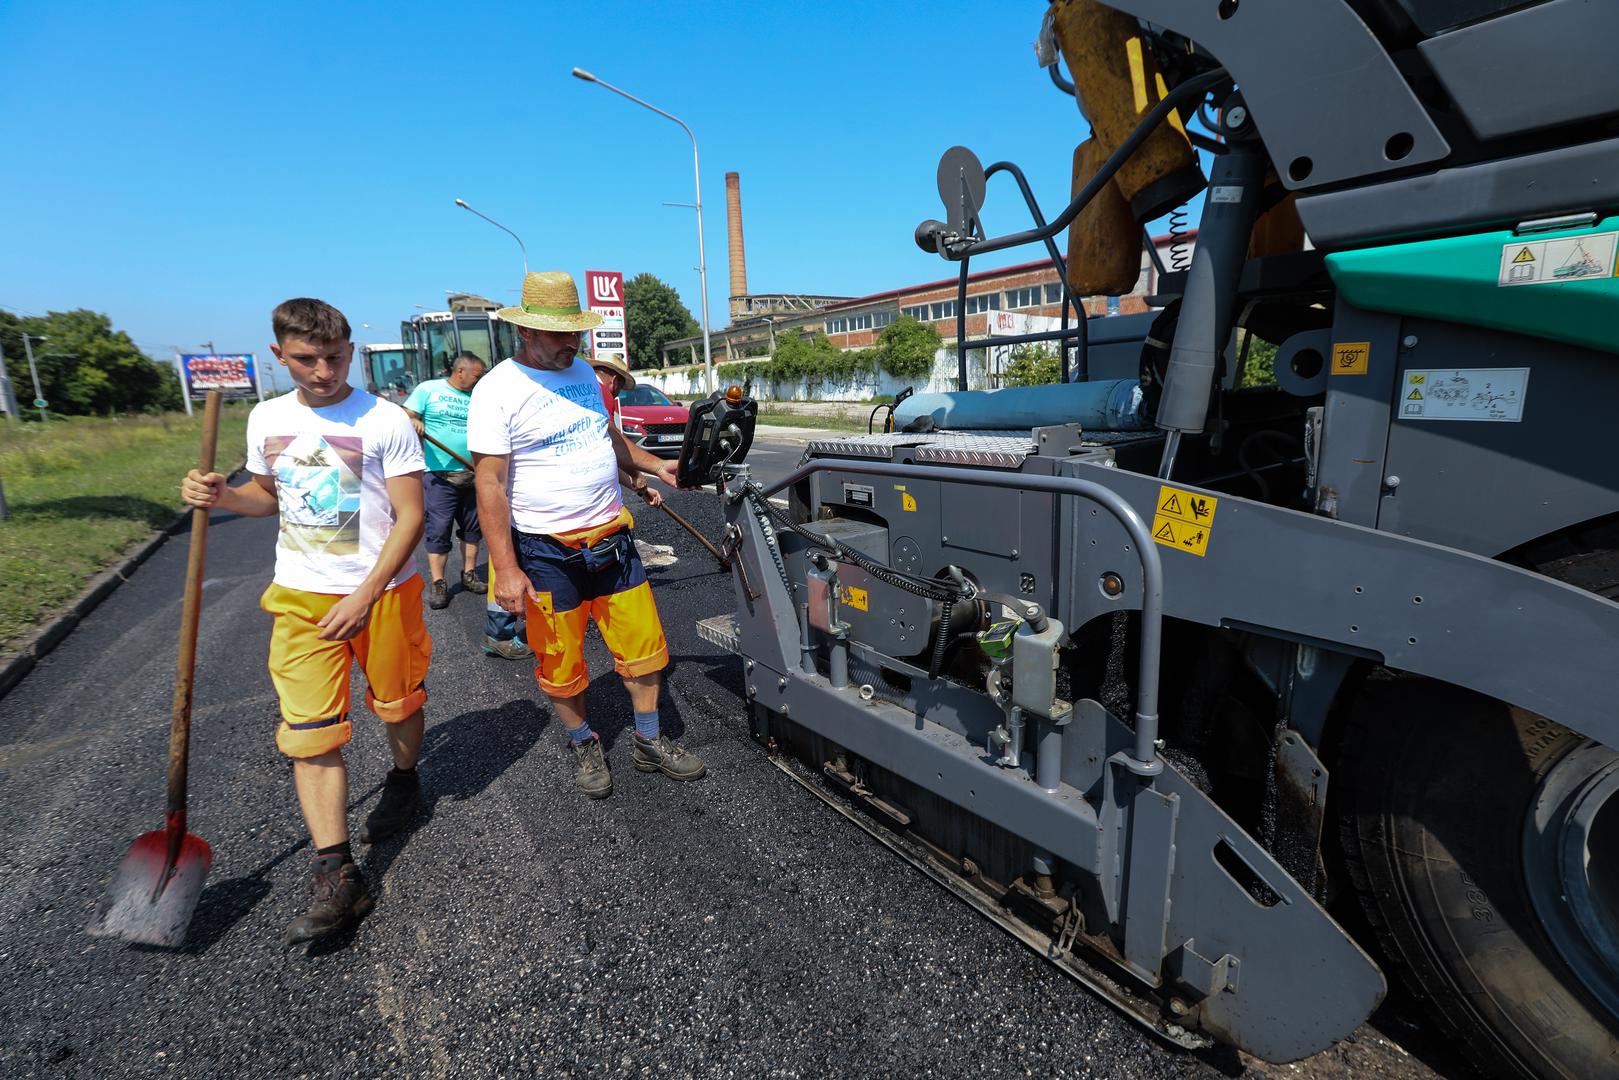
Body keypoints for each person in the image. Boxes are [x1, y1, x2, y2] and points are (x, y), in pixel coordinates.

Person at [180, 297, 431, 948]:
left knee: (397, 706)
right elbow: (267, 497)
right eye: (305, 359)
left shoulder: (385, 420)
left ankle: (404, 780)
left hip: (384, 594)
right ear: (278, 356)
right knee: (309, 733)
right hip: (298, 597)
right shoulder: (266, 418)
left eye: (334, 356)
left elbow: (411, 517)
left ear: (350, 350)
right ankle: (335, 870)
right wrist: (221, 495)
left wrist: (366, 594)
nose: (322, 371)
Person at [469, 271, 702, 799]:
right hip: (547, 552)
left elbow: (609, 438)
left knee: (645, 650)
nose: (571, 343)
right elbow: (490, 484)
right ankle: (582, 741)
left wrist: (652, 467)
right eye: (558, 333)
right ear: (525, 330)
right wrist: (504, 568)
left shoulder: (582, 376)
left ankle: (648, 741)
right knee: (560, 661)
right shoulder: (497, 390)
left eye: (575, 332)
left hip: (613, 541)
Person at [403, 352, 485, 611]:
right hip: (440, 475)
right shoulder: (429, 389)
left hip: (474, 473)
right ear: (461, 371)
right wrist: (414, 420)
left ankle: (469, 574)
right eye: (477, 375)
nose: (479, 380)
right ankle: (439, 583)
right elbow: (407, 414)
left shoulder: (478, 397)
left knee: (473, 530)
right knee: (438, 530)